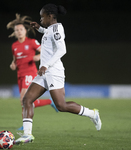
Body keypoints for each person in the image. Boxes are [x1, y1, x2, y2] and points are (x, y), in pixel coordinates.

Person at [15, 4, 102, 145]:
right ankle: (27, 135)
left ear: (50, 16)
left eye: (42, 17)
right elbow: (50, 38)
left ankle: (92, 114)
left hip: (53, 71)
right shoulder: (50, 29)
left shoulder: (57, 28)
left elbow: (62, 49)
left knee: (61, 106)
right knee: (27, 100)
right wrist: (40, 28)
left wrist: (45, 65)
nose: (41, 19)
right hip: (44, 72)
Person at [7, 14, 58, 130]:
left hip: (30, 73)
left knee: (23, 98)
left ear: (25, 31)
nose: (19, 32)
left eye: (21, 29)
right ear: (14, 33)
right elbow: (15, 60)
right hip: (20, 75)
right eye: (16, 30)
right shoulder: (14, 46)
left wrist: (38, 57)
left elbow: (43, 51)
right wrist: (13, 64)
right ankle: (49, 102)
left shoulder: (32, 42)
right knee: (24, 101)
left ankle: (26, 127)